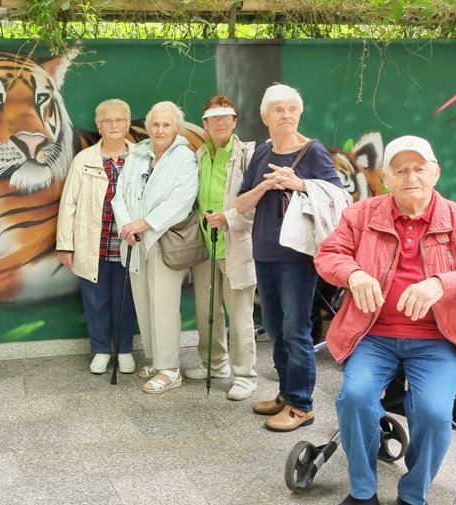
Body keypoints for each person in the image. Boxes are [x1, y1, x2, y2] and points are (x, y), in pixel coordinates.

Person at [314, 135, 456, 505]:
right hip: (373, 333)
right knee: (356, 399)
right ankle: (363, 491)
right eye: (400, 169)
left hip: (440, 339)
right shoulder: (361, 215)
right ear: (387, 177)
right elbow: (329, 254)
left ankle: (413, 494)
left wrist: (441, 283)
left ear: (435, 173)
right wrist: (353, 274)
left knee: (432, 412)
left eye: (419, 167)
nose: (410, 176)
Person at [235, 83, 343, 431]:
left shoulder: (313, 152)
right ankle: (285, 392)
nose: (286, 115)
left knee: (296, 330)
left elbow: (339, 199)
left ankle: (301, 404)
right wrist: (265, 185)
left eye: (292, 109)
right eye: (278, 109)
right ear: (265, 116)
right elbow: (240, 204)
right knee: (276, 330)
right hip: (263, 253)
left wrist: (299, 184)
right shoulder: (262, 153)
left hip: (298, 257)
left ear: (299, 114)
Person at [111, 101, 198, 394]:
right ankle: (154, 359)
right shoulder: (137, 154)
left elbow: (181, 201)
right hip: (134, 240)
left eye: (167, 125)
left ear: (176, 128)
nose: (160, 130)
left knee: (163, 305)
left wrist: (144, 223)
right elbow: (119, 194)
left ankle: (170, 368)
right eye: (156, 124)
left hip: (162, 240)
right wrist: (127, 225)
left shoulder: (185, 157)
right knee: (144, 303)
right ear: (148, 127)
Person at [184, 96, 258, 401]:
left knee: (240, 313)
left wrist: (228, 218)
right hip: (204, 244)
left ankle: (246, 375)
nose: (219, 122)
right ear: (204, 123)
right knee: (206, 309)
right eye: (213, 117)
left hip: (236, 245)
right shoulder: (199, 155)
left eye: (226, 117)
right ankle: (215, 364)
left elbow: (258, 202)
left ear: (235, 121)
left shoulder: (249, 155)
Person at [57, 98, 138, 375]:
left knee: (127, 301)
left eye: (119, 120)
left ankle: (125, 349)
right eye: (107, 120)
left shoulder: (142, 158)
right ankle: (101, 350)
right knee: (95, 300)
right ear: (98, 126)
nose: (113, 125)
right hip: (94, 244)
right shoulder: (85, 159)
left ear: (127, 124)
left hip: (130, 245)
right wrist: (65, 245)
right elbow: (69, 204)